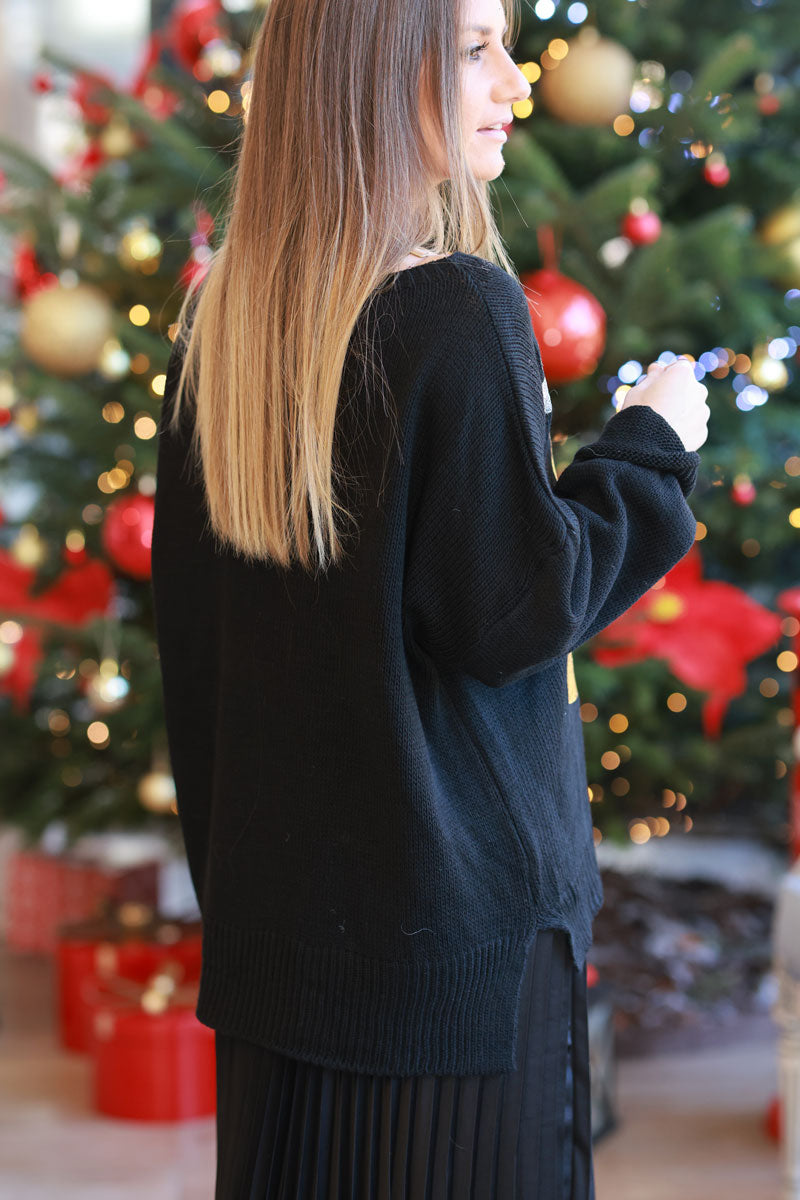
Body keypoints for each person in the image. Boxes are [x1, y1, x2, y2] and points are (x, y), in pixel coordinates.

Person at [150, 0, 710, 1195]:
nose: (513, 82)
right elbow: (513, 610)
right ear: (366, 69)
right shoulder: (454, 310)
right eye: (473, 49)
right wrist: (650, 448)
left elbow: (198, 657)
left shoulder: (221, 318)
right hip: (457, 958)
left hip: (283, 946)